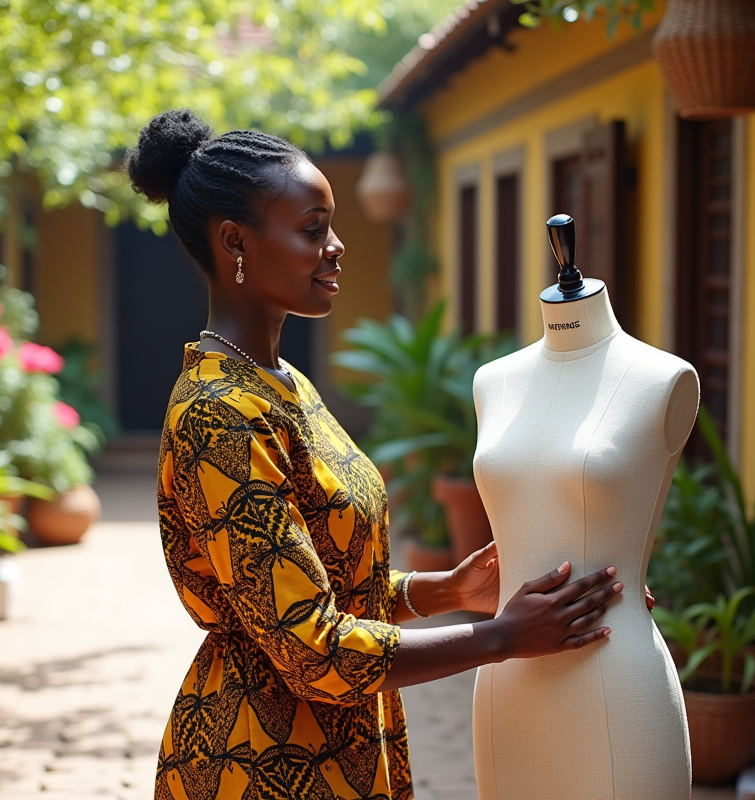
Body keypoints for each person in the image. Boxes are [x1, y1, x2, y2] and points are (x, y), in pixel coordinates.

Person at [127, 108, 627, 800]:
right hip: (262, 761)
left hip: (341, 743)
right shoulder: (221, 414)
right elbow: (310, 645)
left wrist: (447, 590)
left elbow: (317, 579)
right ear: (235, 241)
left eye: (331, 226)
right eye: (312, 230)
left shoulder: (281, 384)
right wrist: (502, 637)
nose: (336, 247)